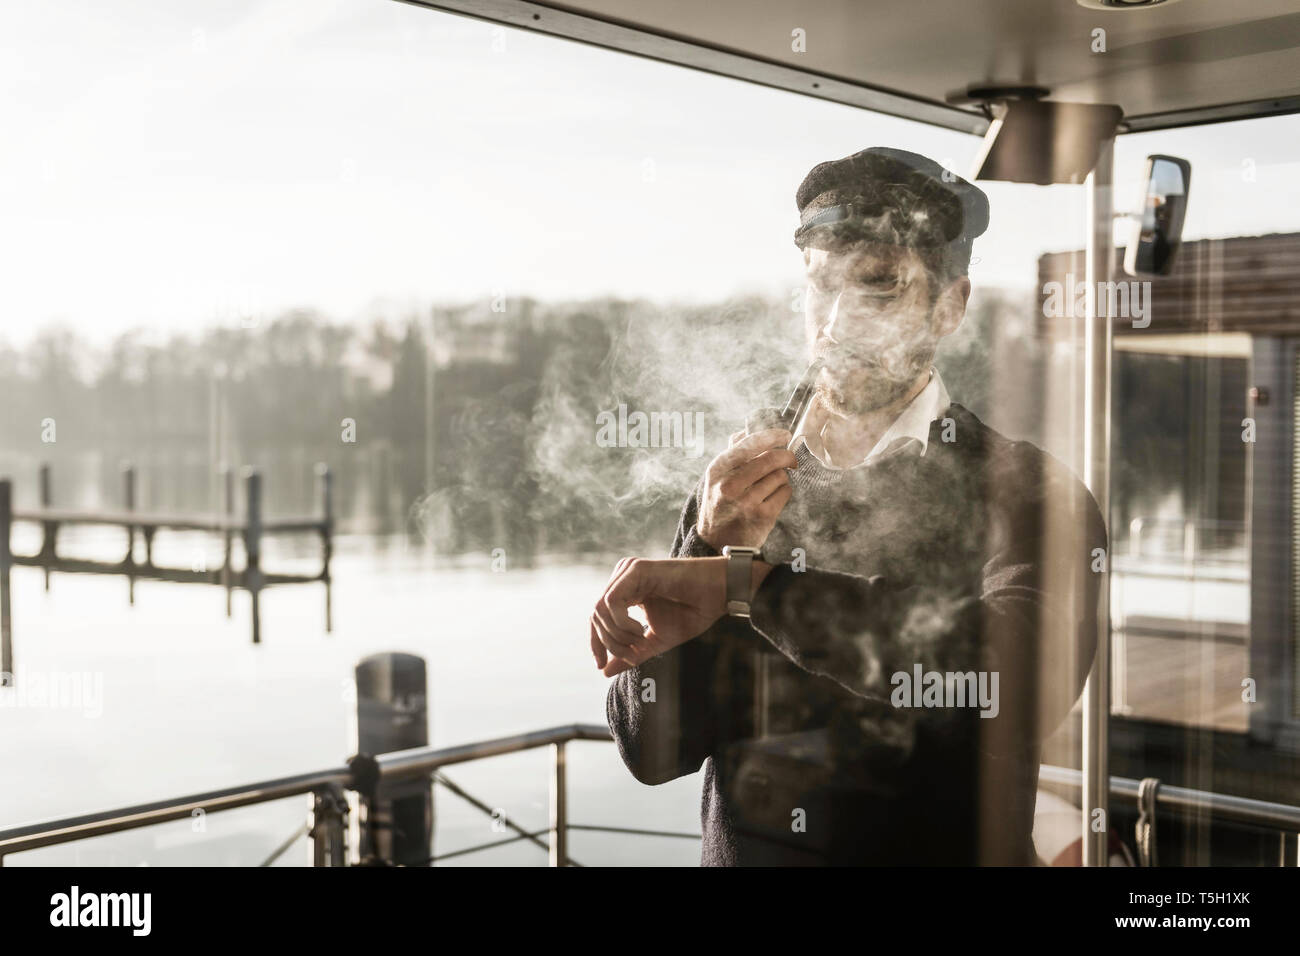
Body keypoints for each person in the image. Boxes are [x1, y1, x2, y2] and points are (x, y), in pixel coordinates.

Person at [590, 147, 1106, 866]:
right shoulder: (736, 489)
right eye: (820, 286)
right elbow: (649, 751)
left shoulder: (1026, 492)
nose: (835, 322)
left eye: (880, 286)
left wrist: (751, 588)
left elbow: (1010, 687)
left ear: (951, 305)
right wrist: (708, 549)